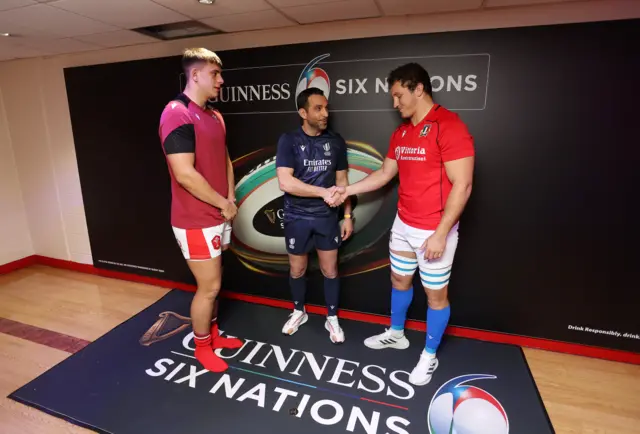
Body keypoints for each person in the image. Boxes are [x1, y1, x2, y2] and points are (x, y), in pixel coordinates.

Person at [335, 63, 475, 385]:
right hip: (403, 224)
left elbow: (462, 185)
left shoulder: (449, 126)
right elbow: (385, 175)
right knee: (399, 280)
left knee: (435, 296)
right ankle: (397, 333)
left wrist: (440, 234)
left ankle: (429, 356)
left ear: (418, 89)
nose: (395, 103)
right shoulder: (401, 133)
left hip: (434, 230)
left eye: (398, 96)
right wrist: (347, 190)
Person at [158, 48, 243, 373]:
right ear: (194, 75)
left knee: (216, 283)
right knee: (208, 287)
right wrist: (222, 203)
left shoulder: (214, 116)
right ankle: (202, 346)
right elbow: (184, 173)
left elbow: (223, 159)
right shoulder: (176, 113)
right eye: (214, 74)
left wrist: (230, 197)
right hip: (195, 219)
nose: (221, 81)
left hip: (219, 214)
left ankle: (214, 334)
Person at [275, 87, 354, 343]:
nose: (325, 113)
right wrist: (322, 191)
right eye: (318, 108)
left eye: (326, 108)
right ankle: (299, 311)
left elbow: (342, 182)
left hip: (326, 218)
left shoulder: (336, 141)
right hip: (296, 217)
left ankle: (332, 318)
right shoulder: (288, 140)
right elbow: (285, 183)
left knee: (330, 270)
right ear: (303, 112)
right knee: (297, 270)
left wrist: (348, 215)